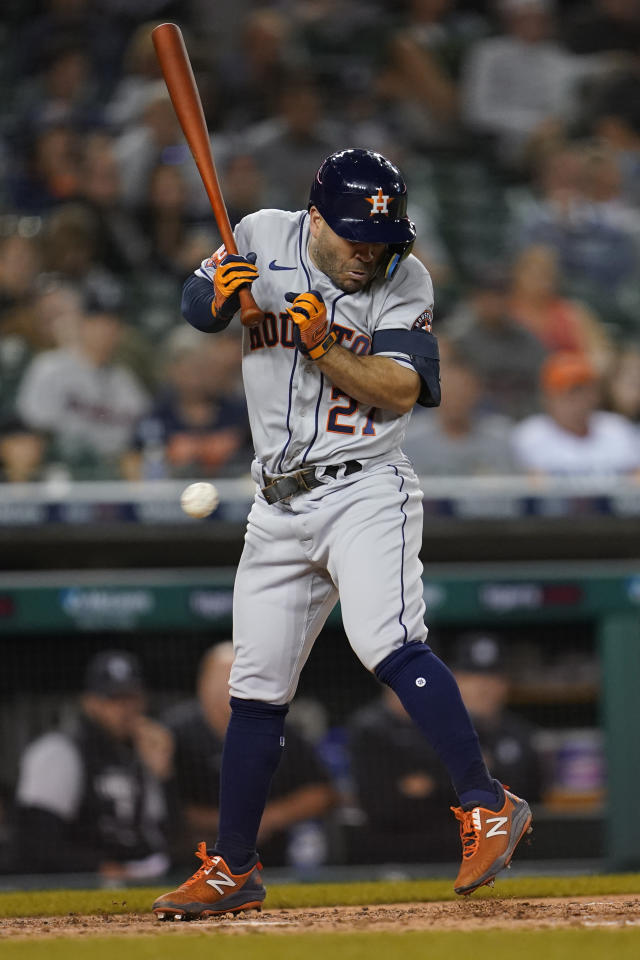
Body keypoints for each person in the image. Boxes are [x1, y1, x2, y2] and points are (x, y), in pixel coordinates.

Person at [152, 148, 532, 920]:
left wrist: (326, 344)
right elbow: (196, 307)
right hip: (275, 505)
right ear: (317, 218)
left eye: (380, 237)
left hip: (363, 488)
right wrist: (220, 296)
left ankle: (486, 804)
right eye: (356, 235)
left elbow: (403, 390)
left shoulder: (404, 276)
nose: (370, 250)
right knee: (253, 690)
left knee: (386, 641)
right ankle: (232, 865)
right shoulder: (258, 232)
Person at [163, 643, 337, 869]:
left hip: (274, 854)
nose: (237, 685)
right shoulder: (175, 732)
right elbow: (166, 808)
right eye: (227, 677)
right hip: (197, 857)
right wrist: (235, 829)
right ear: (204, 684)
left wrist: (270, 818)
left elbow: (323, 793)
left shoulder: (274, 726)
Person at [11, 650, 171, 879]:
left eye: (132, 697)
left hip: (136, 880)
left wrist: (164, 775)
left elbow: (165, 838)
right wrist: (103, 869)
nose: (126, 709)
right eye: (114, 699)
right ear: (90, 703)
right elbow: (35, 843)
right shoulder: (59, 751)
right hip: (71, 887)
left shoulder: (143, 754)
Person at [512, 350, 640, 476]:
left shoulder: (617, 428)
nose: (579, 401)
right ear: (548, 399)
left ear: (596, 395)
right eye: (569, 393)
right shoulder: (529, 436)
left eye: (584, 391)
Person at [450, 634, 544, 804]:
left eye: (492, 678)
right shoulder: (433, 733)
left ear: (505, 684)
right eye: (473, 677)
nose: (483, 688)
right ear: (454, 680)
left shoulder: (522, 736)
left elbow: (537, 801)